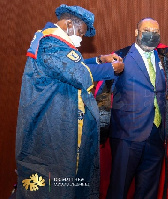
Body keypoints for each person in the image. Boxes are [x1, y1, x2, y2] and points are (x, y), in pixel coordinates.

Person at [15, 4, 123, 199]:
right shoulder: (51, 43)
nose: (81, 38)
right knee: (53, 185)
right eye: (80, 32)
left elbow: (74, 64)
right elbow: (79, 74)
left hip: (56, 122)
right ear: (69, 24)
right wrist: (112, 70)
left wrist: (100, 60)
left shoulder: (56, 44)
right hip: (49, 126)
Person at [106, 18, 168, 199]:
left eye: (156, 32)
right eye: (147, 30)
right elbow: (105, 93)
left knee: (148, 191)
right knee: (118, 189)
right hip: (127, 136)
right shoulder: (121, 56)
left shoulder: (165, 58)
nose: (152, 35)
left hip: (157, 135)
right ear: (136, 32)